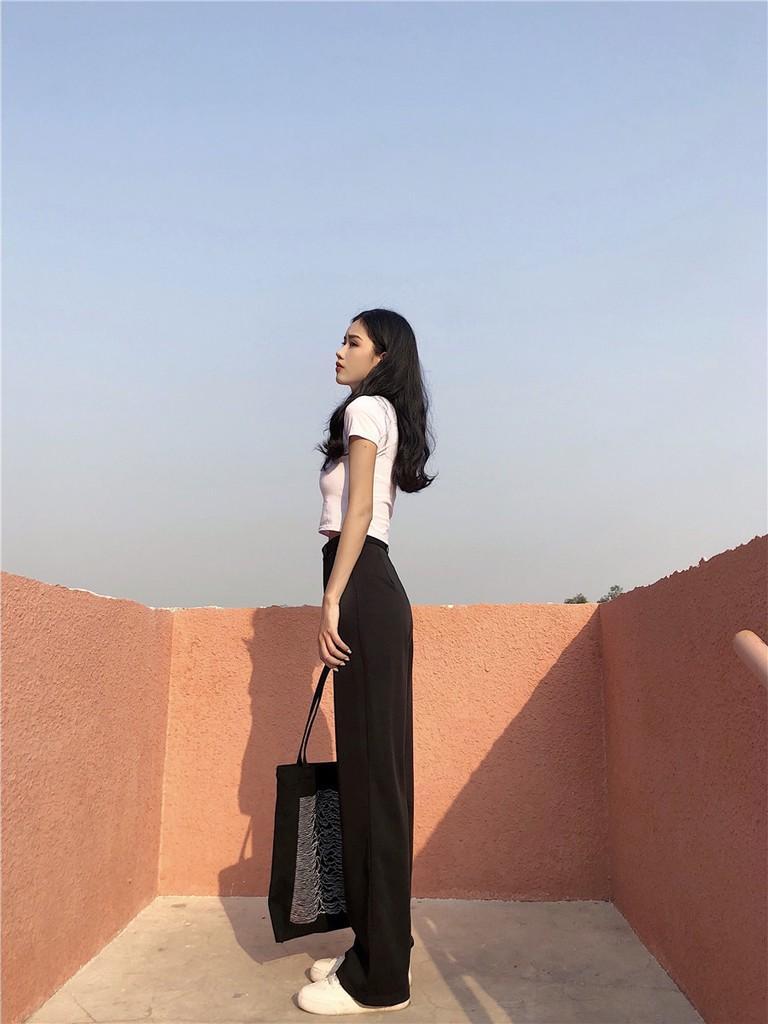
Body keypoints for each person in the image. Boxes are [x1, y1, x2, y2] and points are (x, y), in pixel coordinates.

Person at [295, 308, 437, 1016]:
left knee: (376, 785)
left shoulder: (365, 410)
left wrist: (330, 598)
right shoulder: (380, 413)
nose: (339, 350)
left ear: (381, 357)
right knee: (371, 779)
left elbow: (356, 514)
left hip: (361, 587)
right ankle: (378, 947)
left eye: (353, 341)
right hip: (367, 587)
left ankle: (380, 981)